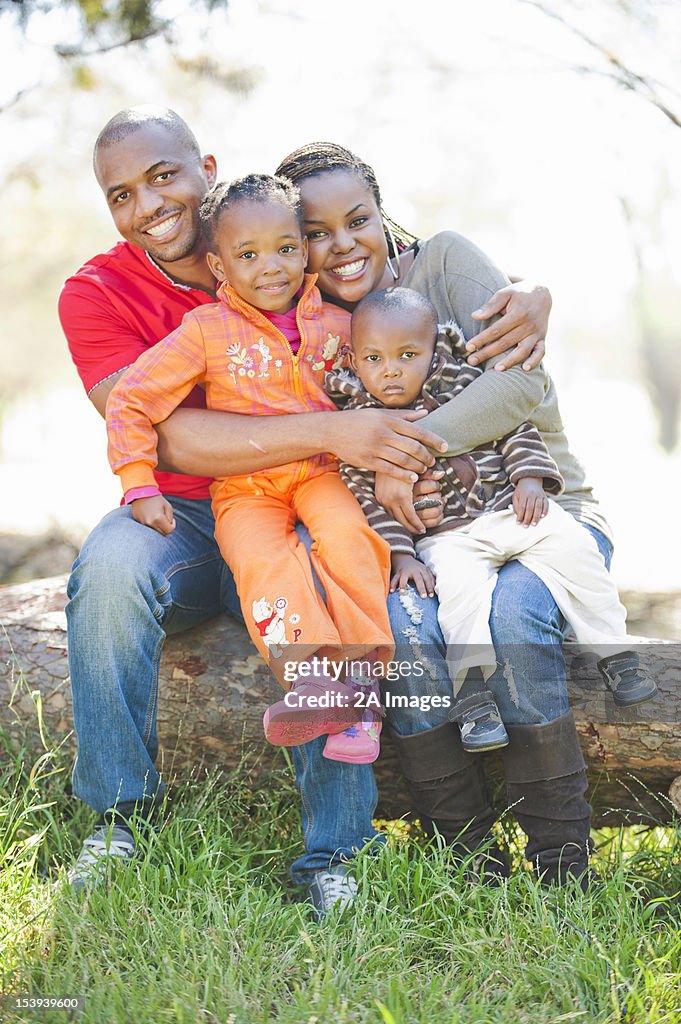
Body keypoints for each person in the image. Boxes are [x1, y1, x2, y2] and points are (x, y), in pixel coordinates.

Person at [58, 105, 552, 909]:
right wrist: (332, 428)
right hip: (186, 516)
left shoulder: (282, 247)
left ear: (206, 169)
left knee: (334, 577)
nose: (148, 205)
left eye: (163, 176)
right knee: (108, 568)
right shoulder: (98, 293)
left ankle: (336, 852)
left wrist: (527, 292)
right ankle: (117, 818)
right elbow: (166, 434)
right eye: (121, 195)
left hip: (314, 494)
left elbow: (393, 281)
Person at [273, 139, 634, 887]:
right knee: (405, 631)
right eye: (315, 232)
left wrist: (405, 450)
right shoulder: (322, 329)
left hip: (540, 516)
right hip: (431, 549)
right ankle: (466, 857)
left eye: (358, 219)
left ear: (382, 215)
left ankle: (562, 862)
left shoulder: (442, 263)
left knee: (510, 617)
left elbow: (517, 390)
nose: (341, 245)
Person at [105, 172, 392, 765]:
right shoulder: (206, 332)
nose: (272, 267)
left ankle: (363, 694)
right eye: (248, 254)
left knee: (349, 541)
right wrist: (138, 482)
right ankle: (315, 684)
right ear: (218, 267)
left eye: (287, 249)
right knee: (263, 564)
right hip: (245, 490)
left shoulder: (340, 326)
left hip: (322, 474)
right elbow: (131, 399)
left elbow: (401, 367)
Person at [326, 285, 657, 755]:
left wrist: (529, 480)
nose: (392, 370)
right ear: (355, 362)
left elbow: (512, 427)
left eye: (407, 355)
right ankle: (474, 696)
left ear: (432, 352)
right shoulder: (361, 425)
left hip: (509, 511)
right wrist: (402, 554)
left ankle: (616, 653)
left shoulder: (460, 384)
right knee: (460, 601)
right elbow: (369, 499)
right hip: (447, 540)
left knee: (575, 551)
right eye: (374, 359)